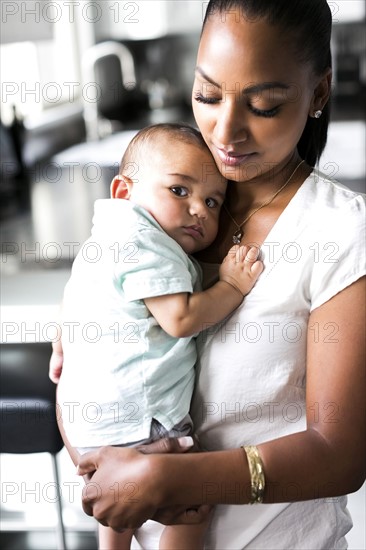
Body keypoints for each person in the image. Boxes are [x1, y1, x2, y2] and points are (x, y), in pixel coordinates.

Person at [53, 1, 365, 548]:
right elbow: (96, 370)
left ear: (317, 94)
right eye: (207, 95)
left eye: (264, 105)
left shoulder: (340, 233)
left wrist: (168, 476)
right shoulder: (159, 209)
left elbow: (339, 456)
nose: (226, 131)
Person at [53, 122, 263, 550]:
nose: (200, 211)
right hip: (139, 416)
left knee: (118, 507)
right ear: (123, 192)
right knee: (197, 501)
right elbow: (181, 319)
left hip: (92, 421)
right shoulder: (145, 239)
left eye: (212, 201)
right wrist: (232, 286)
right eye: (179, 191)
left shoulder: (104, 239)